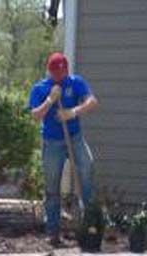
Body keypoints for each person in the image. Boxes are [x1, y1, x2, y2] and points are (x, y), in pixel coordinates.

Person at [28, 52, 100, 246]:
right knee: (52, 186)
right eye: (56, 73)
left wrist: (72, 112)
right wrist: (50, 100)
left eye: (63, 72)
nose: (61, 76)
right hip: (52, 142)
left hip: (74, 138)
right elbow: (35, 115)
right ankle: (53, 232)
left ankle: (89, 225)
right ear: (49, 71)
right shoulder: (40, 88)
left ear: (67, 70)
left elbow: (92, 102)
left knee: (87, 168)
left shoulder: (76, 82)